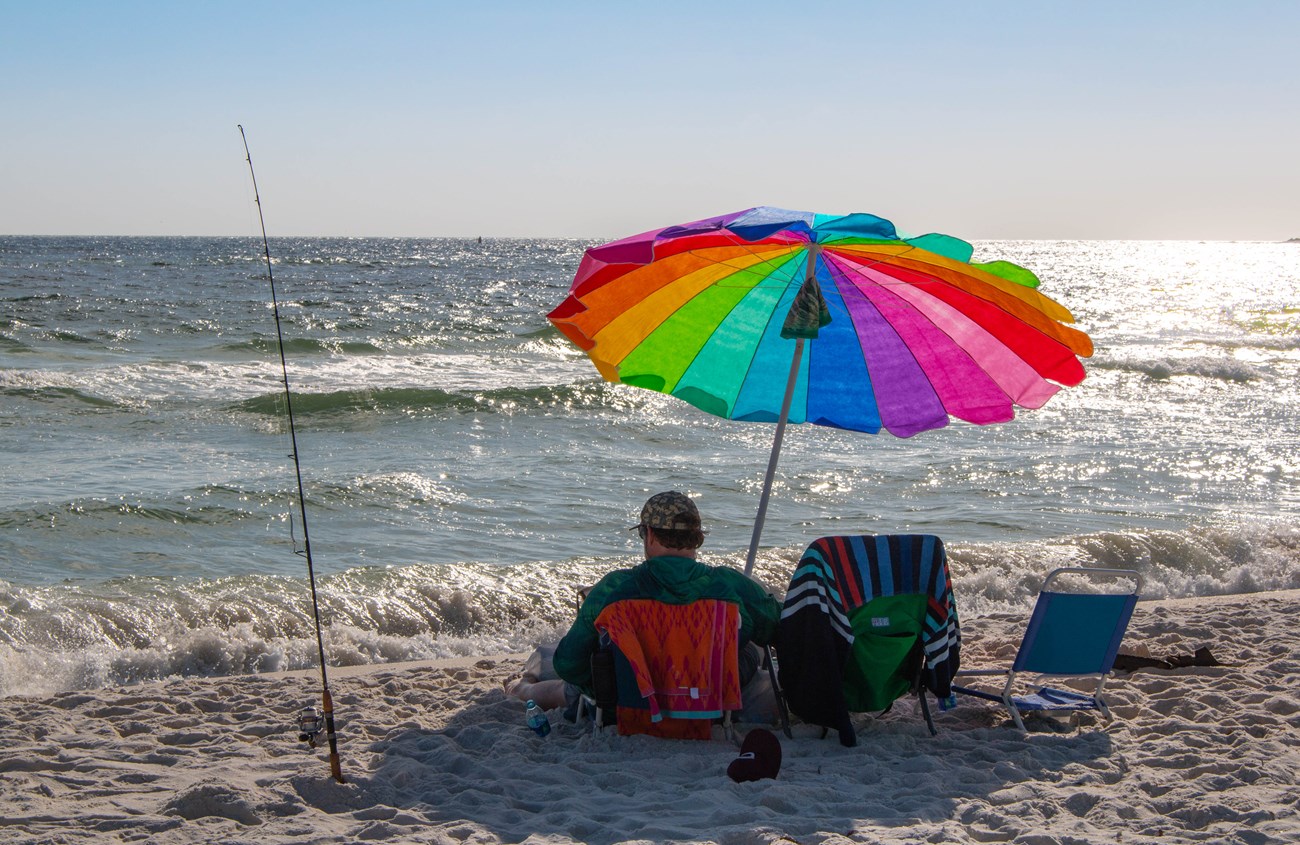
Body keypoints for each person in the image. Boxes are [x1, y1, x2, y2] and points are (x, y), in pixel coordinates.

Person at [505, 491, 782, 717]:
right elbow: (779, 627)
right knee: (751, 641)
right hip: (709, 702)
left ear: (649, 534)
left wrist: (602, 683)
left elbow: (568, 663)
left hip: (630, 699)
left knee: (572, 681)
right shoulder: (729, 585)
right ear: (697, 538)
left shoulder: (615, 589)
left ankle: (522, 688)